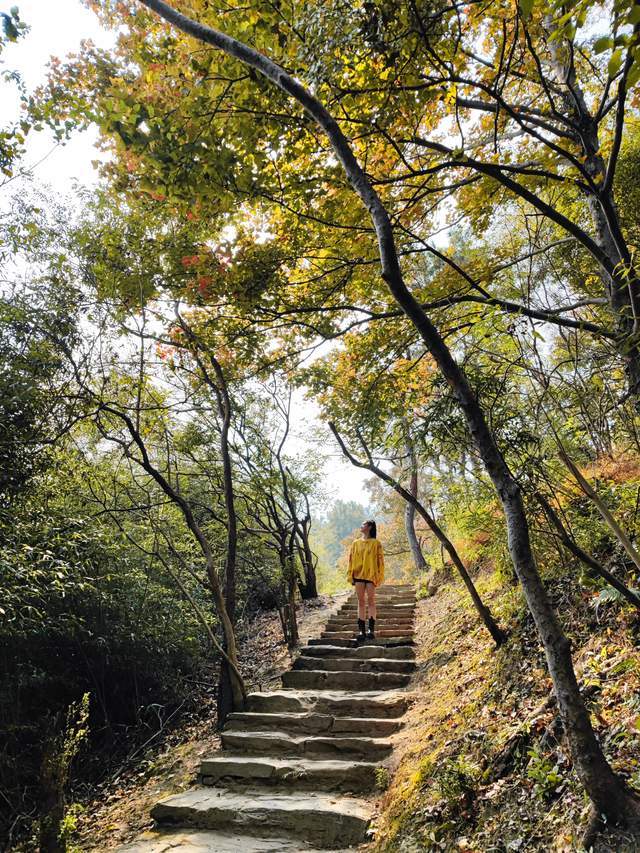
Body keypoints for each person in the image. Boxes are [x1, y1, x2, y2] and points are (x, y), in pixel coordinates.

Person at [347, 519, 385, 641]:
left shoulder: (376, 543)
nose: (361, 526)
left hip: (371, 575)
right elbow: (351, 560)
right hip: (358, 575)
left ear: (369, 527)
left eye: (363, 524)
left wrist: (379, 576)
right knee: (361, 602)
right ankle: (361, 631)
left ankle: (371, 629)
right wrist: (351, 575)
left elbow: (380, 561)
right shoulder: (355, 543)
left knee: (371, 600)